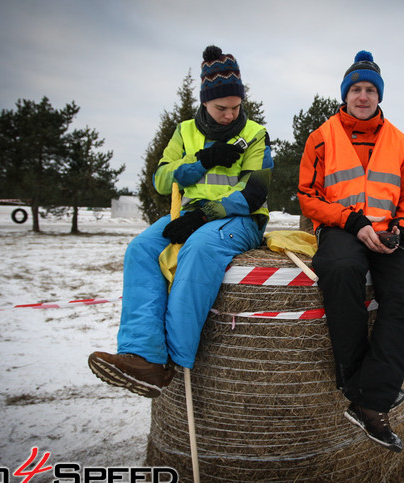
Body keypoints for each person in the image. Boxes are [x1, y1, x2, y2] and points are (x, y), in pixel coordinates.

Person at [88, 46, 273, 397]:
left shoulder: (255, 133)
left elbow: (256, 191)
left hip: (240, 219)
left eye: (235, 107)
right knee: (141, 249)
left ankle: (172, 359)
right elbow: (160, 180)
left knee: (199, 250)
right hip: (188, 216)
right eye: (221, 108)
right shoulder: (184, 131)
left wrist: (206, 214)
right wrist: (201, 162)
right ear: (205, 102)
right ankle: (143, 354)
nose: (229, 115)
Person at [297, 50, 404, 453]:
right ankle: (357, 380)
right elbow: (307, 195)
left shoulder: (401, 142)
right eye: (357, 88)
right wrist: (353, 222)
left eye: (371, 89)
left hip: (389, 231)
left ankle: (368, 398)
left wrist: (401, 231)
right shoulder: (321, 137)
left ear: (379, 95)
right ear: (345, 94)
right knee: (339, 269)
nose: (364, 95)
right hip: (342, 226)